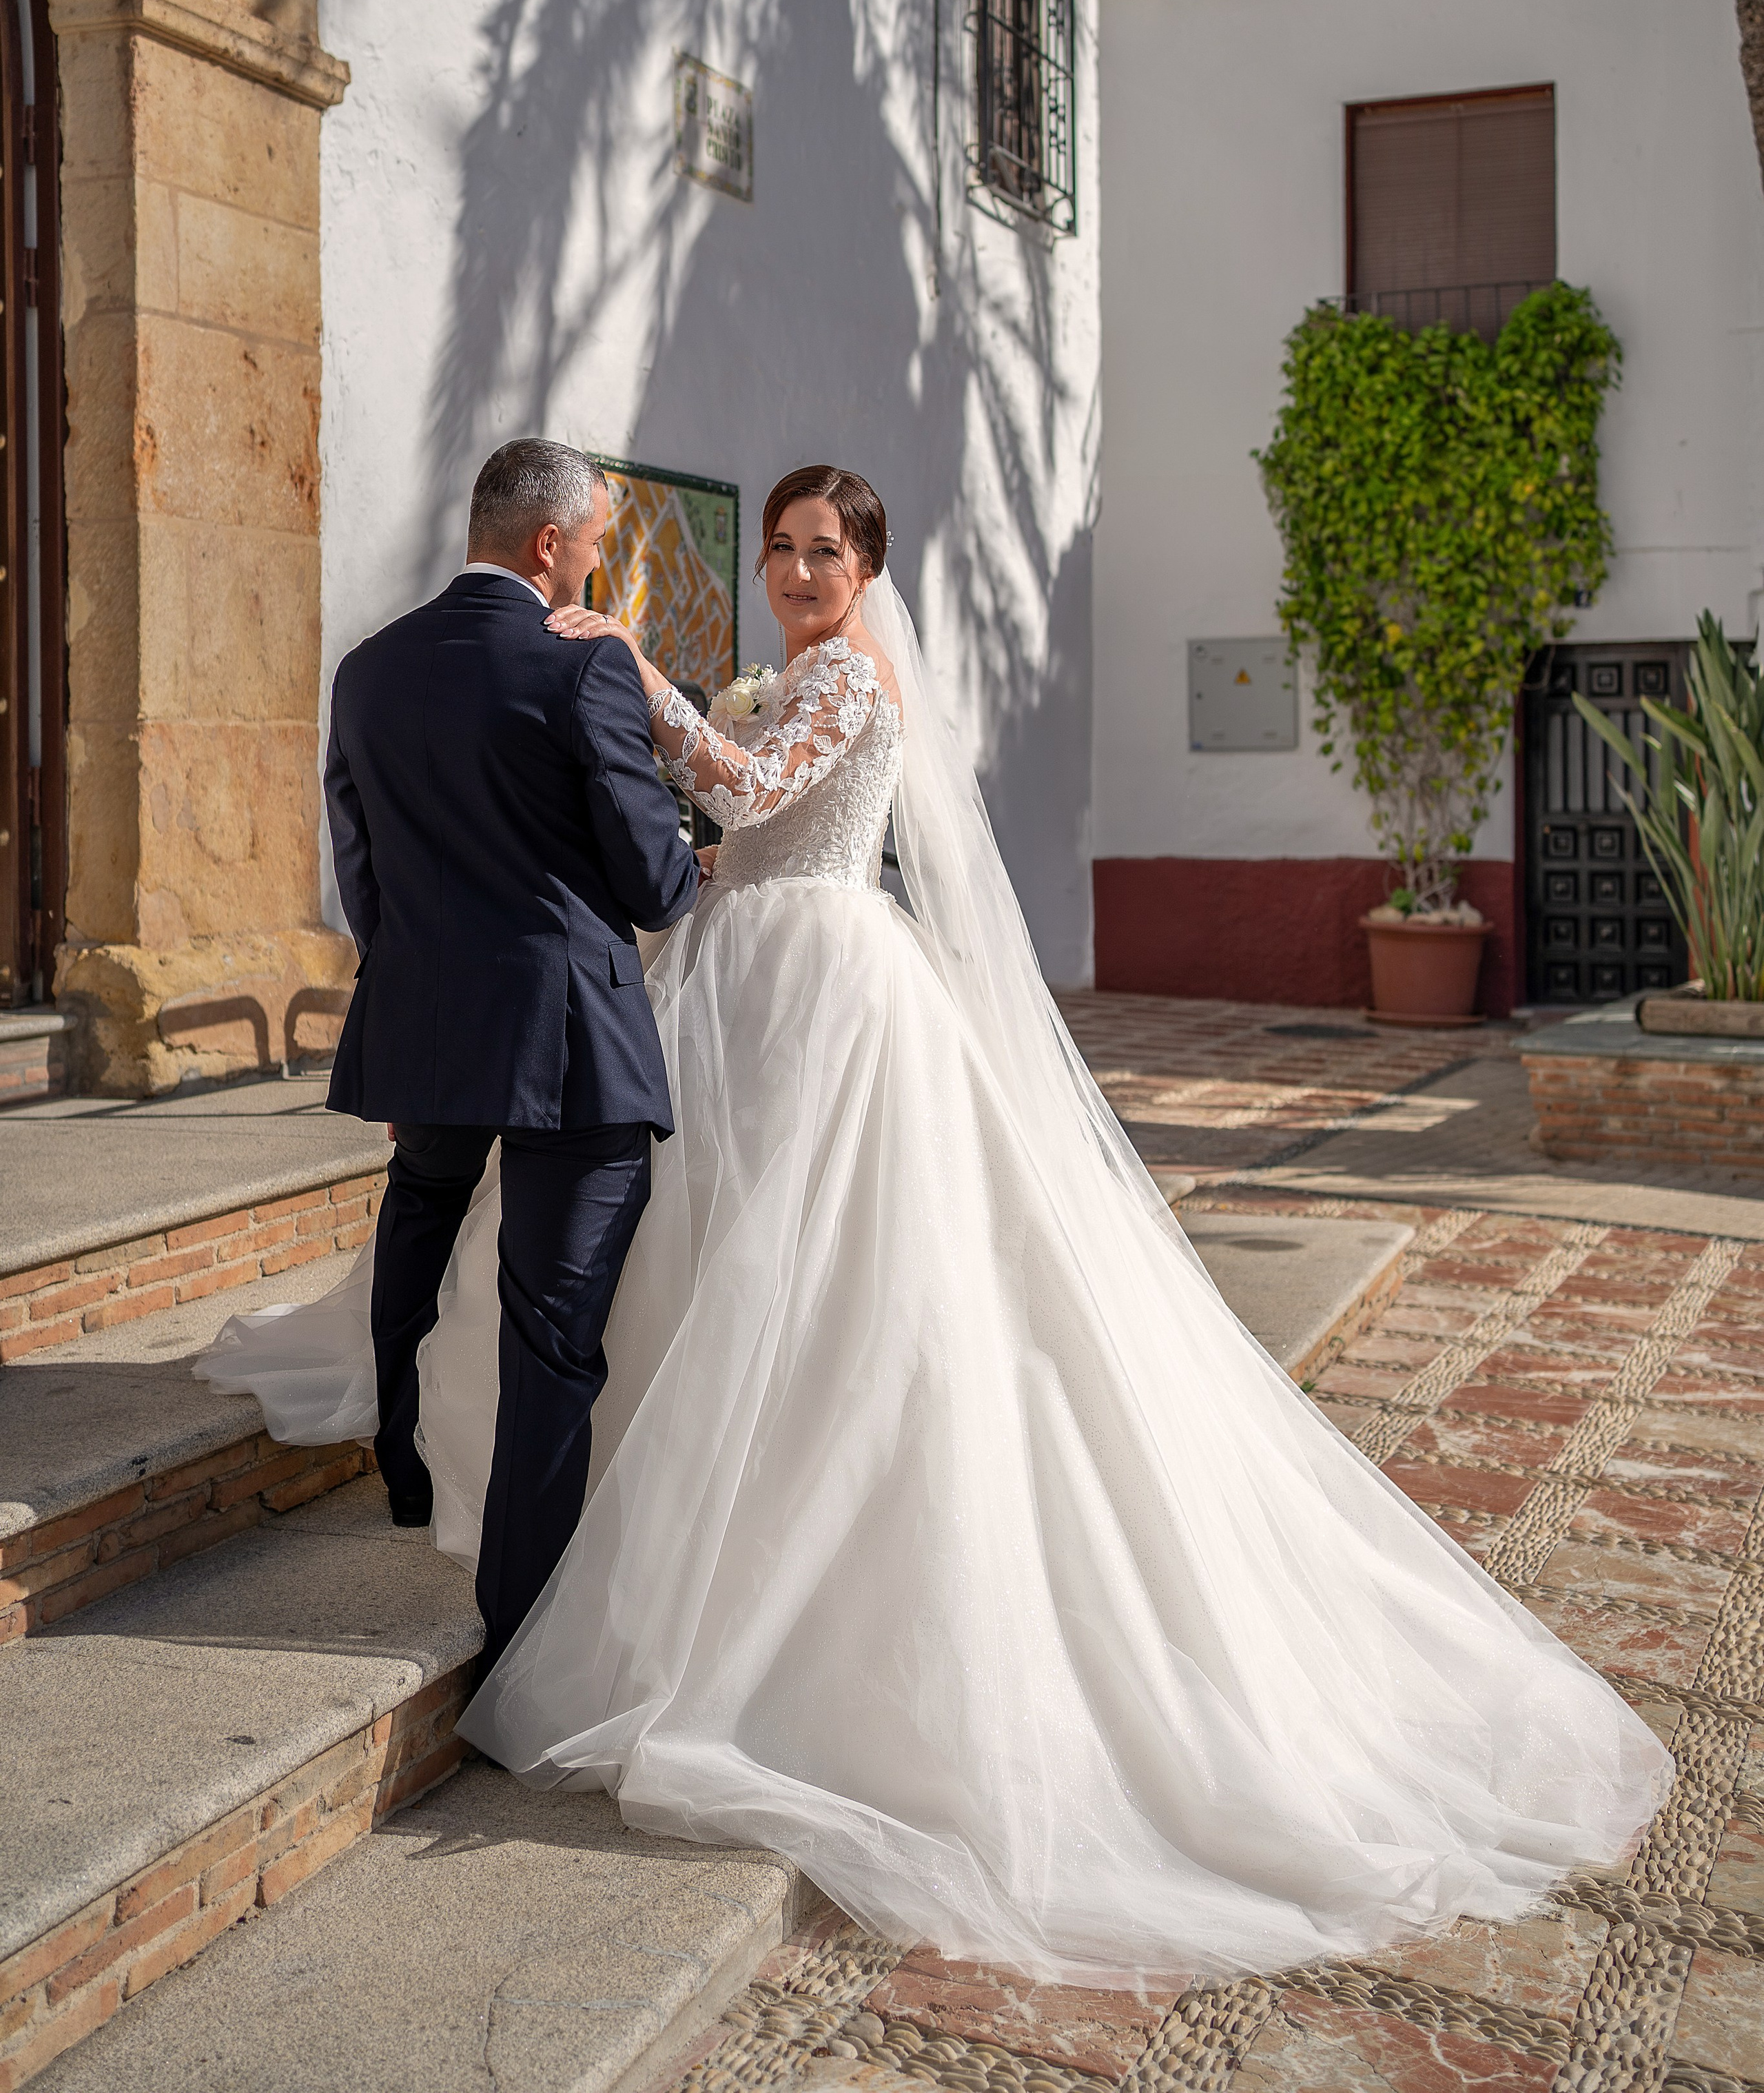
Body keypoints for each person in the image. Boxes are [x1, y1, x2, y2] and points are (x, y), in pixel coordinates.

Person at [203, 462, 1669, 1989]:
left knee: (816, 1269)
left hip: (824, 986)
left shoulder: (848, 673)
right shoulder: (802, 669)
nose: (790, 570)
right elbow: (722, 834)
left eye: (818, 550)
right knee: (693, 1270)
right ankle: (618, 1540)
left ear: (867, 565)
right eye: (777, 548)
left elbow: (760, 798)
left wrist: (646, 687)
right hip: (737, 974)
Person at [247, 438, 699, 1673]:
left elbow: (363, 867)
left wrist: (408, 992)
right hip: (567, 1035)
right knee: (552, 1329)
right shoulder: (584, 667)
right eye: (599, 541)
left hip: (430, 1012)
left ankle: (404, 1470)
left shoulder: (370, 670)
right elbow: (657, 884)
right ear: (550, 545)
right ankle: (519, 1627)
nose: (599, 565)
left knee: (420, 1221)